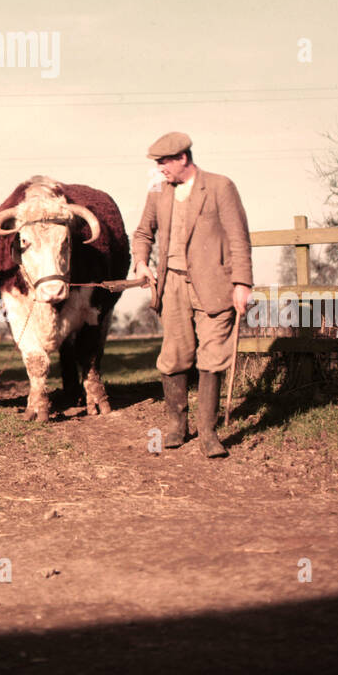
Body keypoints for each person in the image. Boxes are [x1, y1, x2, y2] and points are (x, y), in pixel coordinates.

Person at [131, 131, 253, 458]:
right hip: (172, 287)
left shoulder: (219, 187)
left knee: (212, 358)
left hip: (215, 286)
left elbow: (239, 238)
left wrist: (242, 283)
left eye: (164, 162)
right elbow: (143, 231)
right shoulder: (158, 189)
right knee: (174, 356)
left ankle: (209, 433)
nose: (159, 169)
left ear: (183, 158)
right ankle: (176, 426)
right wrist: (141, 262)